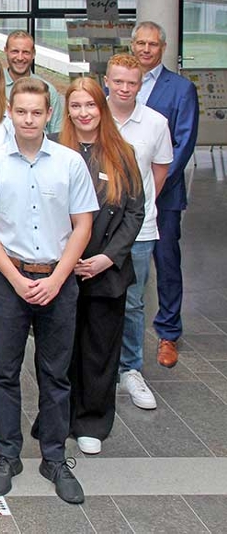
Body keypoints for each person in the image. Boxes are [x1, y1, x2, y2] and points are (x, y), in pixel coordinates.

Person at [0, 78, 97, 504]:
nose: (28, 119)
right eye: (20, 112)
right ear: (10, 114)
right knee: (4, 371)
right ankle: (7, 456)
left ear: (47, 115)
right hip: (10, 279)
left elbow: (83, 225)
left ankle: (55, 457)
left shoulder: (69, 162)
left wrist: (58, 278)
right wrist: (15, 278)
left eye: (36, 112)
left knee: (55, 374)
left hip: (58, 281)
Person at [60, 77, 144, 456]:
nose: (83, 113)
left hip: (107, 271)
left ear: (102, 107)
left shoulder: (122, 153)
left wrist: (107, 258)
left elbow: (134, 212)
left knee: (98, 350)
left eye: (90, 105)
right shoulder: (55, 150)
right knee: (61, 350)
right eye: (76, 106)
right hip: (62, 271)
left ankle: (92, 420)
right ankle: (58, 415)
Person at [131, 21, 200, 368]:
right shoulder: (120, 85)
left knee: (166, 263)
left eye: (153, 44)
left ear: (163, 47)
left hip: (163, 196)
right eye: (140, 43)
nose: (146, 49)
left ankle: (168, 332)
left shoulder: (181, 89)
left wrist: (153, 188)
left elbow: (183, 143)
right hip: (121, 197)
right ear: (132, 46)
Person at [105, 53, 173, 408]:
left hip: (140, 230)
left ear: (141, 84)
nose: (125, 88)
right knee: (96, 300)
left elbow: (158, 172)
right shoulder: (92, 116)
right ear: (107, 81)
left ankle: (131, 369)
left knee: (132, 302)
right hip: (96, 230)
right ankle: (99, 367)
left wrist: (136, 210)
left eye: (132, 82)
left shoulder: (155, 123)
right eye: (119, 81)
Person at [3, 31, 64, 137]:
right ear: (5, 51)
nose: (20, 57)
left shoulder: (49, 90)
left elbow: (57, 134)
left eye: (26, 52)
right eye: (15, 51)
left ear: (34, 54)